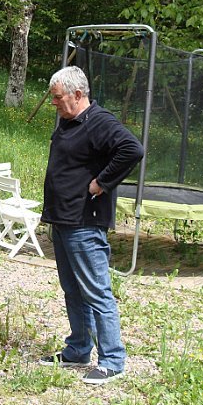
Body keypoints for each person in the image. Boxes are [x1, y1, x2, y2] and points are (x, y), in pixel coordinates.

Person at [38, 66, 144, 385]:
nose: (53, 103)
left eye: (58, 97)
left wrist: (102, 182)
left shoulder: (100, 122)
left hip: (84, 221)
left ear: (77, 94)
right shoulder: (69, 120)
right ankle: (78, 349)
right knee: (72, 289)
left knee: (96, 291)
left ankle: (112, 360)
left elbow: (132, 149)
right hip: (63, 219)